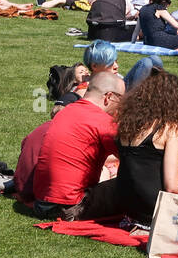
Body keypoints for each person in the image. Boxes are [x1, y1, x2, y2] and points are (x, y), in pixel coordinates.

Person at [110, 71, 178, 226]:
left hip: (126, 205)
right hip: (154, 208)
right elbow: (172, 186)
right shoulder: (169, 129)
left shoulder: (126, 126)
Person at [31, 72, 126, 220]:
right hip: (70, 208)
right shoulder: (103, 121)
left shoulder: (66, 111)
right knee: (131, 184)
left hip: (41, 203)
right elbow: (132, 160)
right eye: (121, 100)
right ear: (108, 97)